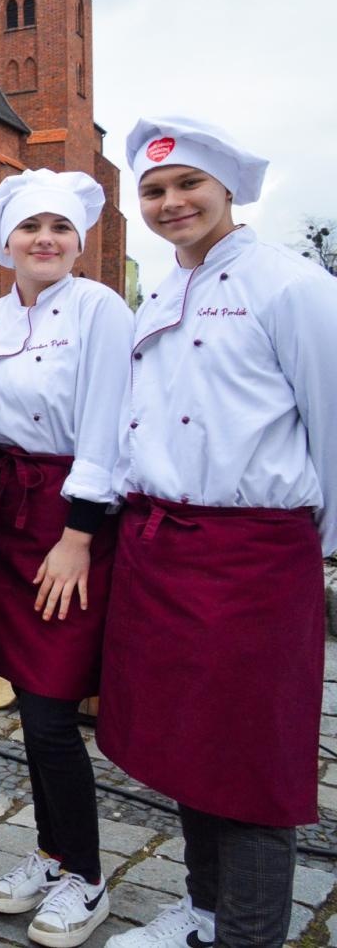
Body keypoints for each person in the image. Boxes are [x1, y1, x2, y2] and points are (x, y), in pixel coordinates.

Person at [98, 118, 337, 948]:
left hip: (254, 557)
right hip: (163, 547)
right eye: (155, 191)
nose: (171, 203)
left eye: (187, 185)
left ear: (227, 189)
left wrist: (313, 551)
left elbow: (331, 427)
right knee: (189, 747)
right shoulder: (159, 292)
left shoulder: (291, 286)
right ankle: (202, 913)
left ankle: (248, 936)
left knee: (254, 765)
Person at [0, 170, 132, 946]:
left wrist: (79, 535)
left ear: (78, 241)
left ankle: (87, 877)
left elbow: (109, 422)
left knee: (50, 706)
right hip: (4, 518)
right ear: (5, 242)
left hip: (70, 523)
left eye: (60, 229)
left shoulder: (101, 308)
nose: (46, 240)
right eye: (31, 228)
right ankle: (49, 851)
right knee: (29, 696)